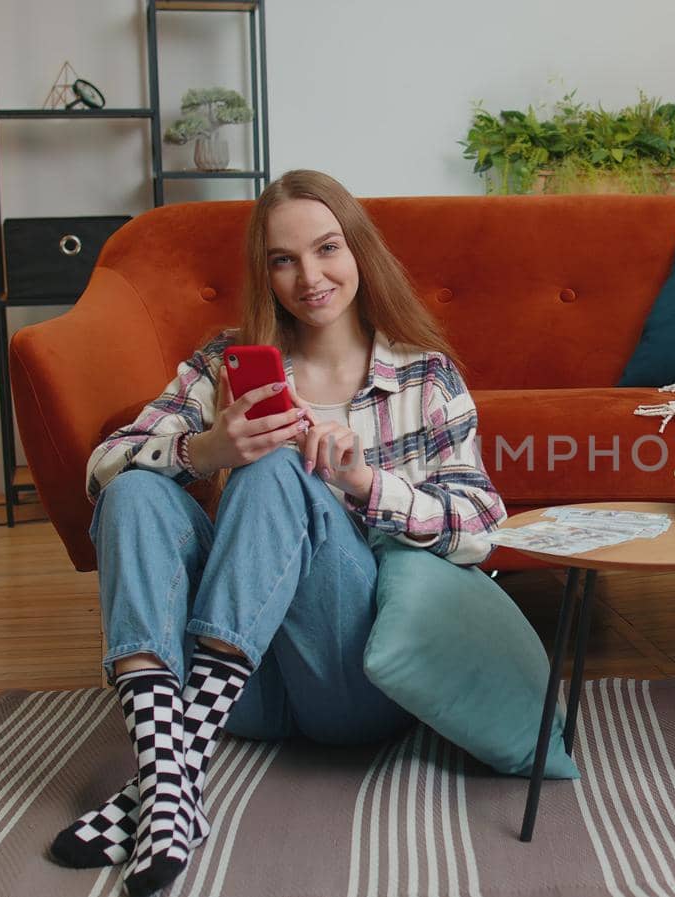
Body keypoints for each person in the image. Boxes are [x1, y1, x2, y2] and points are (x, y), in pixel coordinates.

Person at [47, 169, 506, 897]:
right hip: (238, 697)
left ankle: (163, 781)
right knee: (136, 487)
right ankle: (177, 780)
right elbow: (101, 469)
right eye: (282, 260)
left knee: (274, 474)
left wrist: (362, 486)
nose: (309, 277)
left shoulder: (426, 377)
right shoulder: (222, 365)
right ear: (264, 274)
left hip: (349, 683)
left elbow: (481, 526)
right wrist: (207, 452)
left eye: (327, 249)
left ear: (358, 250)